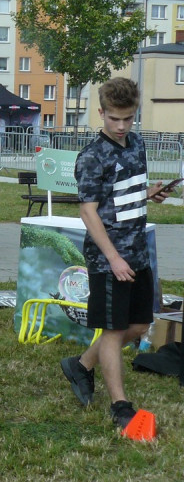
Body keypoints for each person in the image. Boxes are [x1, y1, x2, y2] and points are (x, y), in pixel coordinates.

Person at [58, 77, 173, 430]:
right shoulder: (92, 156)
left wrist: (149, 194)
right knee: (112, 330)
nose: (122, 126)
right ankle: (120, 406)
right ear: (101, 113)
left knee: (139, 325)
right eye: (114, 119)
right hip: (108, 258)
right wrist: (113, 258)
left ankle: (80, 365)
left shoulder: (137, 144)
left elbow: (123, 193)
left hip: (138, 251)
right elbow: (88, 211)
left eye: (128, 118)